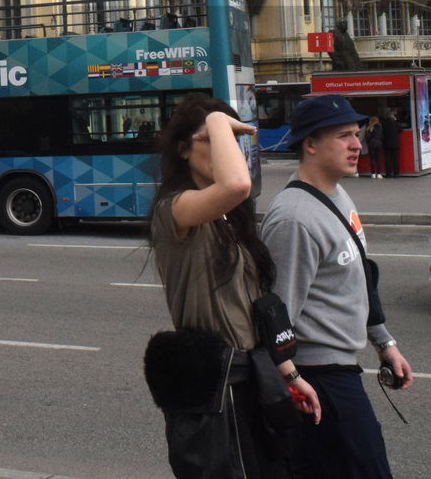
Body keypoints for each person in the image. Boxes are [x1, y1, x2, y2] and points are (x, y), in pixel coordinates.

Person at [149, 95, 320, 478]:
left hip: (253, 375)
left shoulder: (231, 217)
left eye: (229, 139)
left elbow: (256, 307)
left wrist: (290, 375)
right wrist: (215, 118)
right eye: (212, 138)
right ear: (182, 150)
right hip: (215, 385)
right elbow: (238, 183)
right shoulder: (173, 209)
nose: (226, 147)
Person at [261, 95, 413, 479]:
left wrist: (384, 342)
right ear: (310, 144)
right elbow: (277, 315)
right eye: (344, 135)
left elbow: (359, 277)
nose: (357, 144)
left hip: (342, 367)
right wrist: (294, 382)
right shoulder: (294, 219)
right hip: (320, 378)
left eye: (357, 134)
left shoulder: (337, 195)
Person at [381, 107, 403, 178]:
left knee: (387, 159)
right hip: (395, 143)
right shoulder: (395, 123)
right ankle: (396, 174)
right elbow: (400, 129)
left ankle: (388, 174)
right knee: (396, 159)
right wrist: (396, 120)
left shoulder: (384, 123)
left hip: (386, 143)